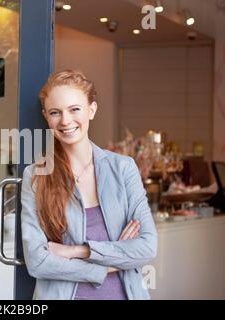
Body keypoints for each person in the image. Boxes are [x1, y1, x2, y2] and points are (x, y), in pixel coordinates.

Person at [21, 70, 158, 300]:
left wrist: (77, 251)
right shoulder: (36, 176)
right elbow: (37, 262)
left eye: (75, 109)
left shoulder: (123, 168)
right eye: (56, 112)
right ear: (46, 116)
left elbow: (146, 248)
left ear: (91, 110)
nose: (65, 121)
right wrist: (109, 263)